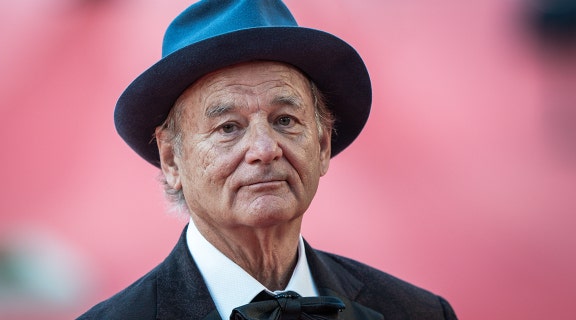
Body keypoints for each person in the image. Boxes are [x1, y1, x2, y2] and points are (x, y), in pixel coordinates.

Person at [78, 0, 458, 319]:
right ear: (171, 159)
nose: (264, 149)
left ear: (323, 144)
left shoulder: (417, 312)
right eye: (228, 127)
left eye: (285, 120)